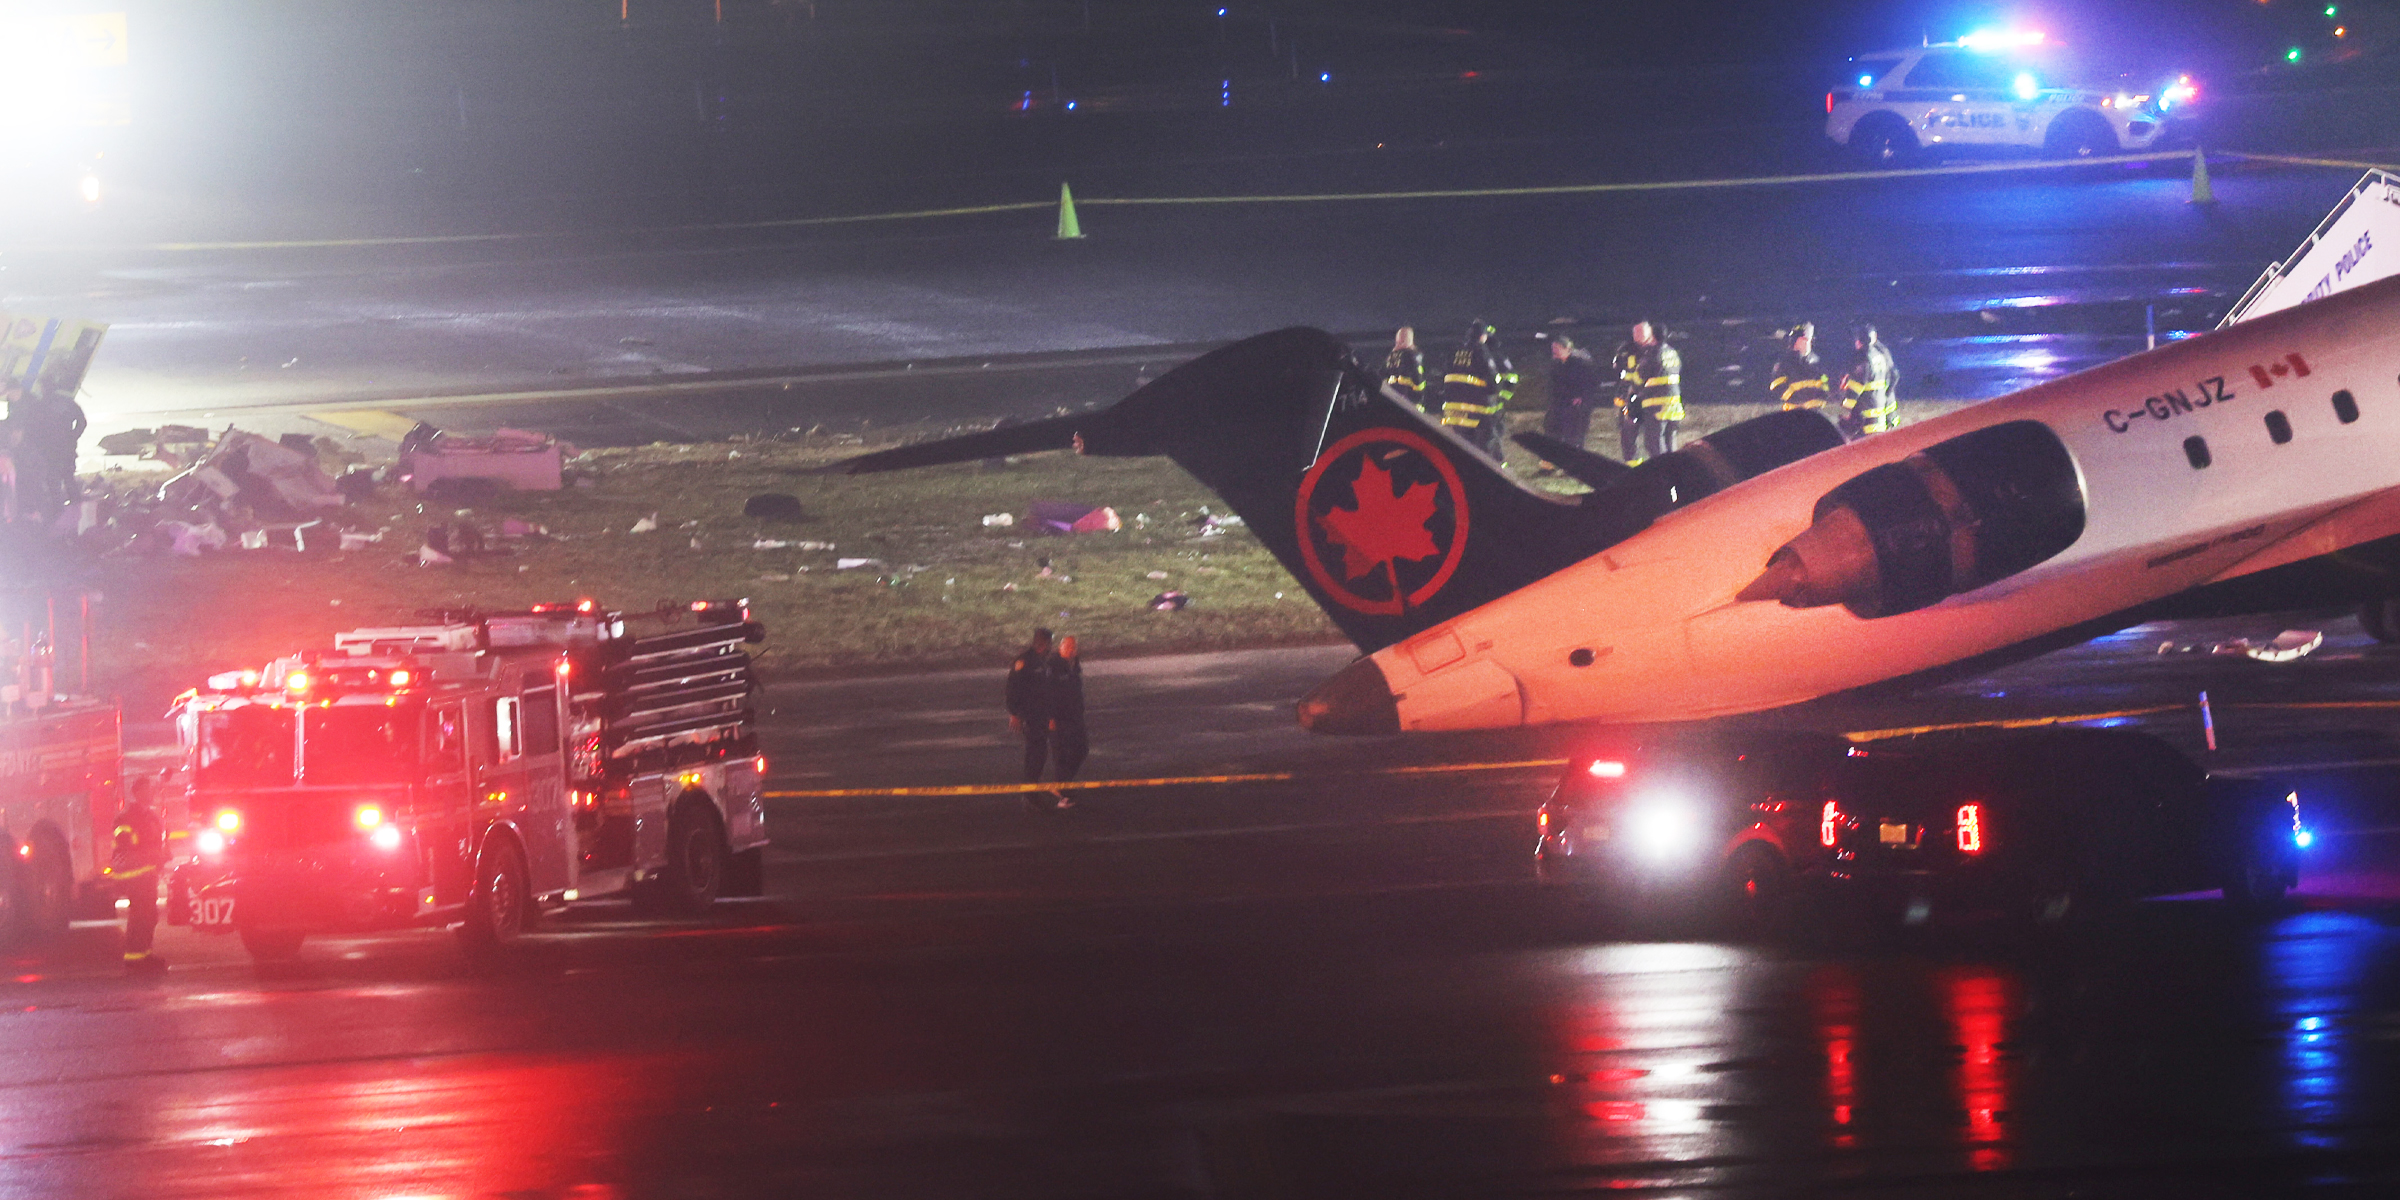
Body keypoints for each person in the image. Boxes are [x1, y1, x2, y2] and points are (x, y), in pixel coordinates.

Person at [109, 773, 171, 973]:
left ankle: (145, 954)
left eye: (151, 789)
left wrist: (163, 854)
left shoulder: (152, 816)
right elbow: (125, 845)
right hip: (134, 875)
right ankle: (133, 958)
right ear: (136, 793)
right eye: (146, 790)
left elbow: (159, 841)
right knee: (139, 916)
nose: (151, 793)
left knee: (150, 916)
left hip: (149, 874)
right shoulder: (125, 817)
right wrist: (152, 854)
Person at [1438, 320, 1515, 460]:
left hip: (1454, 410)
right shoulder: (1483, 352)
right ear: (1483, 336)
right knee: (1487, 444)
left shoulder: (1455, 352)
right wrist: (1500, 397)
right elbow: (1494, 381)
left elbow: (1444, 377)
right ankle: (1494, 470)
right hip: (1480, 409)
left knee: (1461, 445)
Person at [1539, 334, 1604, 472]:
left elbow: (1593, 382)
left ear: (1567, 348)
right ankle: (1549, 465)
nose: (1554, 352)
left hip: (1576, 407)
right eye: (1553, 349)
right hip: (1558, 404)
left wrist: (1582, 397)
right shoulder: (1556, 363)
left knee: (1573, 437)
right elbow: (1553, 384)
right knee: (1551, 432)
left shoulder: (1581, 363)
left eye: (1556, 349)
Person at [1623, 321, 1683, 462]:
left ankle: (1663, 473)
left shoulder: (1651, 355)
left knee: (1654, 444)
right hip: (1675, 406)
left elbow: (1639, 379)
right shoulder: (1672, 352)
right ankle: (1674, 471)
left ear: (1653, 337)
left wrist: (1634, 392)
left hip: (1657, 407)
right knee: (1670, 443)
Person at [1044, 635, 1089, 808]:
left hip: (1075, 717)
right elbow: (1046, 695)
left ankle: (1061, 785)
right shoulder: (1052, 667)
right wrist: (1050, 718)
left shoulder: (1075, 666)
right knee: (1061, 755)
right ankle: (1064, 795)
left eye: (1074, 647)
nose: (1071, 650)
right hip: (1058, 720)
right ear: (1060, 647)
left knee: (1081, 749)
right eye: (1068, 646)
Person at [1005, 628, 1054, 786]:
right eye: (1050, 643)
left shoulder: (1042, 660)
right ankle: (1029, 791)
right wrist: (1014, 714)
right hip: (1030, 716)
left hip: (1042, 715)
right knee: (1035, 753)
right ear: (1044, 643)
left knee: (1040, 752)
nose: (1051, 646)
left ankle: (1032, 787)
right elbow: (1012, 688)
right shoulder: (1025, 662)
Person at [1839, 323, 1900, 438]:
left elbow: (1856, 387)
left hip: (1866, 421)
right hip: (1881, 418)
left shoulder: (1863, 359)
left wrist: (1845, 403)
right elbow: (1894, 376)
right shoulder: (1881, 355)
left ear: (1859, 341)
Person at [1769, 323, 1832, 413]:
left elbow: (1824, 382)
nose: (1808, 343)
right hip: (1795, 413)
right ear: (1795, 342)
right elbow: (1776, 385)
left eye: (1809, 341)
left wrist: (1823, 396)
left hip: (1816, 413)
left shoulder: (1815, 361)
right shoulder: (1785, 362)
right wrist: (1797, 399)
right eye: (1804, 340)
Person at [1382, 327, 1428, 414]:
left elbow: (1382, 375)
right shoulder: (1413, 355)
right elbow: (1419, 380)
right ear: (1410, 339)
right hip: (1410, 402)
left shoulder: (1390, 356)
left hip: (1392, 401)